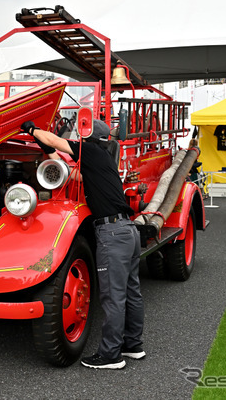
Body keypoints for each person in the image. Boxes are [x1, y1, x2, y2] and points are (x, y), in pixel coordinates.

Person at [22, 119, 144, 370]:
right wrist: (42, 143)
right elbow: (68, 168)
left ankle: (111, 356)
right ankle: (133, 346)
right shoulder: (102, 160)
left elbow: (57, 141)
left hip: (112, 233)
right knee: (131, 293)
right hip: (128, 231)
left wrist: (33, 129)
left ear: (86, 137)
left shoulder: (89, 150)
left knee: (113, 297)